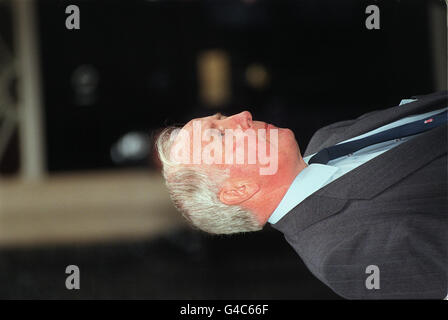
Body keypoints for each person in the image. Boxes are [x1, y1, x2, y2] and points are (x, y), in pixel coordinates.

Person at [156, 91, 447, 299]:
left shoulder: (327, 138)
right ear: (238, 190)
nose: (243, 116)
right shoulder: (339, 254)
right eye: (221, 135)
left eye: (222, 118)